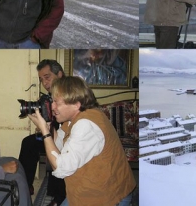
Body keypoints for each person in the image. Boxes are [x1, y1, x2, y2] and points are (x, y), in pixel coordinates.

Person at [28, 76, 136, 206]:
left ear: (76, 104)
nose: (52, 106)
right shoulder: (74, 118)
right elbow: (61, 145)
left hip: (109, 197)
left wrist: (45, 132)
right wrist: (49, 127)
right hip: (88, 189)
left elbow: (62, 168)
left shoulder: (86, 124)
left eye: (57, 102)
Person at [18, 59, 66, 205]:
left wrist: (48, 129)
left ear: (60, 75)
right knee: (29, 142)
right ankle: (25, 185)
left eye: (47, 77)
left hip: (67, 138)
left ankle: (59, 198)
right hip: (54, 133)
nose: (44, 83)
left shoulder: (69, 93)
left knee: (56, 152)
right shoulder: (49, 96)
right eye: (41, 79)